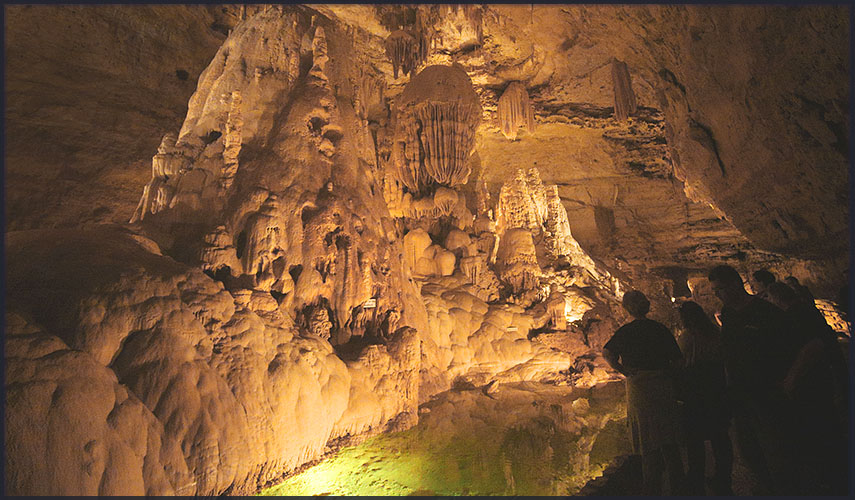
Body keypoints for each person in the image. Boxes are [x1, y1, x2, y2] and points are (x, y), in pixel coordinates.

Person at [707, 265, 798, 495]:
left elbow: (793, 347)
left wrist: (787, 381)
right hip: (740, 394)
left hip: (767, 392)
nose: (717, 295)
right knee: (749, 451)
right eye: (715, 291)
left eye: (720, 289)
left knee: (777, 449)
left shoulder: (766, 313)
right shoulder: (727, 314)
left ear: (736, 285)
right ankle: (771, 489)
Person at [766, 281, 849, 495]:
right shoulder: (805, 309)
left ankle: (833, 479)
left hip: (812, 382)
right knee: (828, 425)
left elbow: (811, 348)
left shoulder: (795, 314)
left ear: (776, 298)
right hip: (821, 377)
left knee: (820, 428)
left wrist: (790, 380)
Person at [603, 290, 685, 495]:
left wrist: (622, 370)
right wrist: (668, 374)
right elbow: (678, 360)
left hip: (639, 387)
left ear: (626, 308)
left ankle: (652, 489)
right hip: (662, 385)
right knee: (669, 440)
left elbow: (607, 352)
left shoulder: (626, 332)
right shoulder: (659, 329)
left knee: (647, 443)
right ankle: (678, 489)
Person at [675, 301, 734, 496]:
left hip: (696, 391)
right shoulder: (715, 333)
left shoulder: (688, 336)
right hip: (716, 389)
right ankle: (723, 479)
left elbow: (679, 362)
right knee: (720, 438)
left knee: (694, 440)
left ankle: (695, 482)